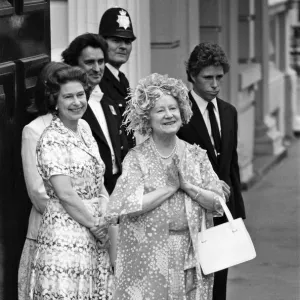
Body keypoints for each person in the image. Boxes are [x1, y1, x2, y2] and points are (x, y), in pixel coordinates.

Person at [98, 73, 226, 299]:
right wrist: (169, 188)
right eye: (160, 110)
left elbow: (218, 202)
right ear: (147, 118)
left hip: (191, 254)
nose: (169, 115)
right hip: (149, 260)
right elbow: (125, 204)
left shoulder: (196, 155)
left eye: (173, 109)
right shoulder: (137, 158)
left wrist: (188, 187)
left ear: (182, 112)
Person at [28, 66, 113, 299]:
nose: (76, 102)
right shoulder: (51, 138)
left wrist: (105, 208)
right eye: (68, 96)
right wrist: (97, 227)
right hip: (66, 238)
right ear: (55, 101)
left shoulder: (84, 128)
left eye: (80, 95)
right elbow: (65, 193)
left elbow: (99, 179)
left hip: (96, 232)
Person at [177, 42, 246, 300]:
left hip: (222, 211)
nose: (215, 84)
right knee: (191, 283)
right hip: (189, 211)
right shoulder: (179, 113)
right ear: (193, 76)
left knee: (219, 284)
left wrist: (236, 212)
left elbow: (231, 163)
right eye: (208, 78)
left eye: (219, 77)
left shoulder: (229, 112)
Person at [18, 61, 69, 300]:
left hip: (87, 233)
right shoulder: (34, 130)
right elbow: (39, 194)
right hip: (51, 236)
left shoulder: (83, 127)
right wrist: (81, 220)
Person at [62, 33, 129, 194]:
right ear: (74, 65)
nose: (97, 69)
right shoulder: (70, 107)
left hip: (118, 189)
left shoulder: (108, 100)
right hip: (89, 194)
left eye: (101, 62)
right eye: (89, 62)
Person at [99, 6, 136, 148]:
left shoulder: (121, 79)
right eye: (116, 40)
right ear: (102, 42)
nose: (123, 47)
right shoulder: (98, 79)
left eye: (127, 42)